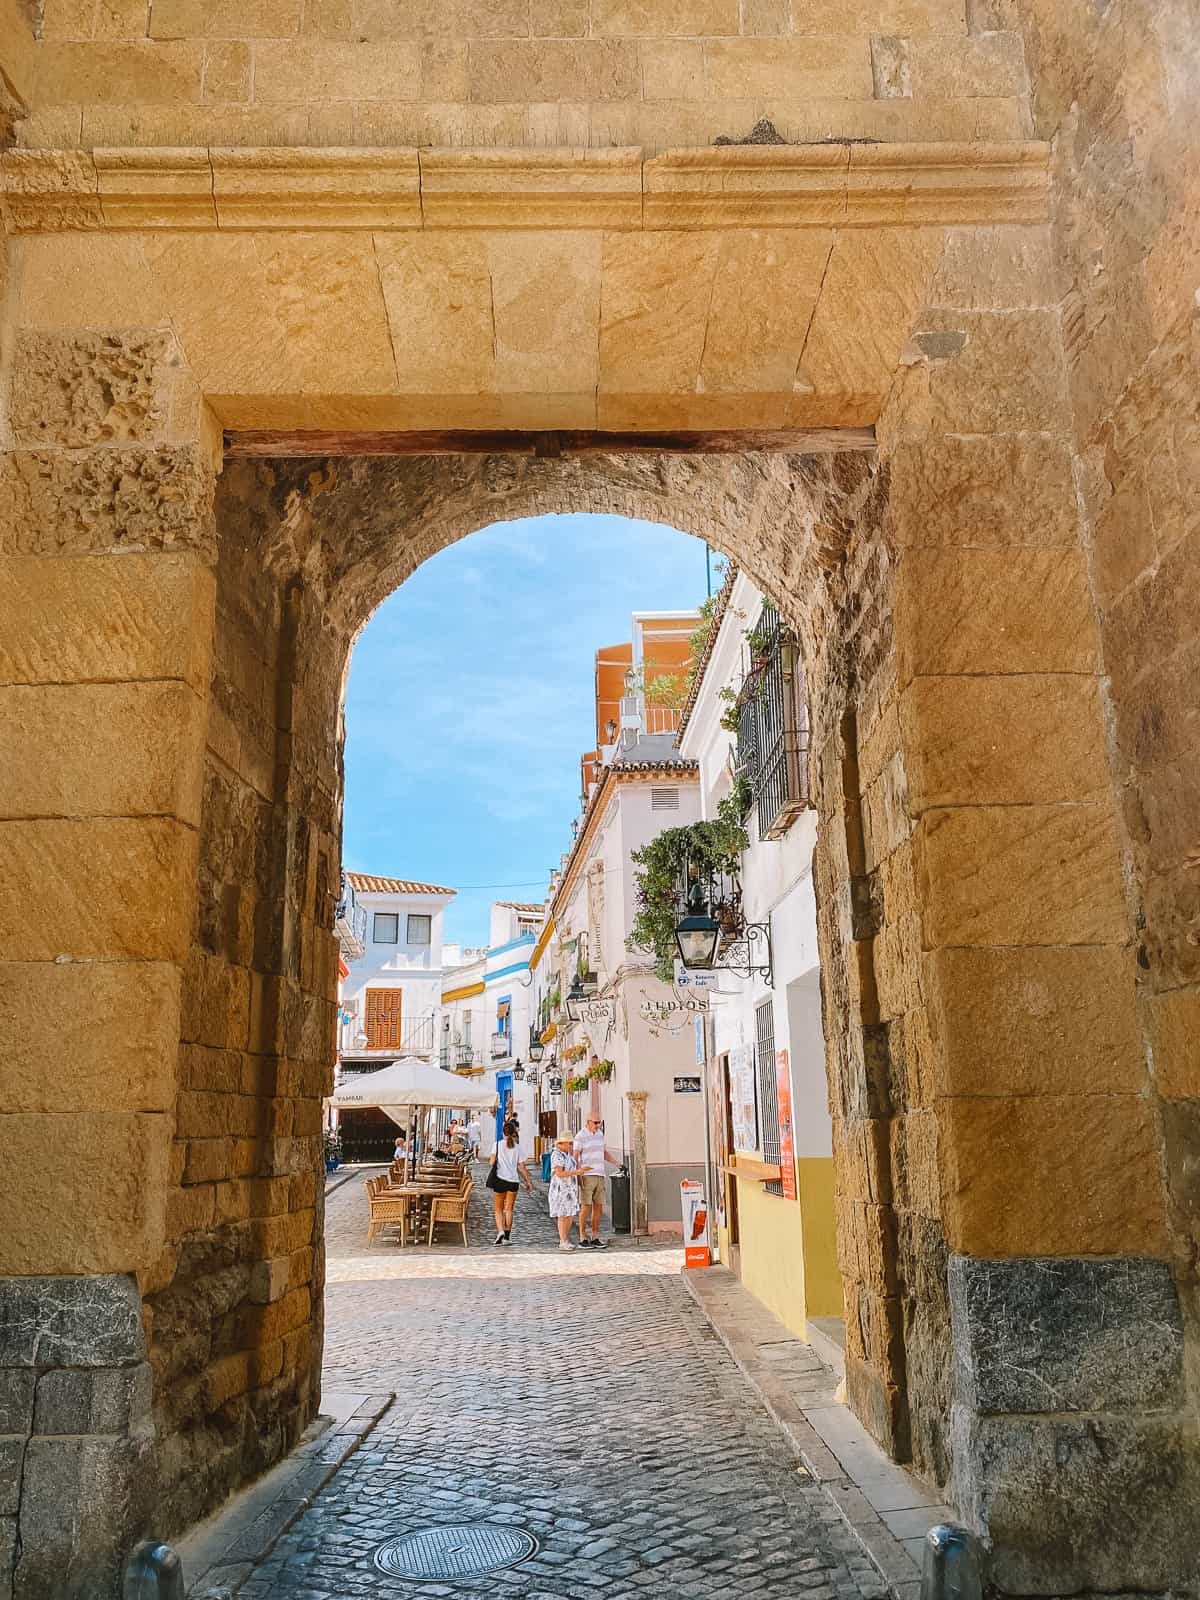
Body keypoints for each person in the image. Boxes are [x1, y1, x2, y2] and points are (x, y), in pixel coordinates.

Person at [573, 1114, 617, 1249]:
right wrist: (577, 1175)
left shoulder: (599, 1134)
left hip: (600, 1174)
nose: (598, 1125)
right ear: (588, 1122)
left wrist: (617, 1163)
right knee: (586, 1206)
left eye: (600, 1123)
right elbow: (575, 1156)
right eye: (596, 1122)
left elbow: (603, 1152)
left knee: (598, 1207)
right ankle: (582, 1237)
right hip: (587, 1175)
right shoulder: (580, 1136)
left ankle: (595, 1236)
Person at [488, 1117, 533, 1246]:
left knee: (498, 1209)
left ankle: (500, 1231)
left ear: (503, 1132)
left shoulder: (497, 1145)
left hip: (500, 1180)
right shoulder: (518, 1148)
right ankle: (507, 1237)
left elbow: (491, 1163)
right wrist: (528, 1182)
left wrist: (496, 1159)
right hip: (513, 1181)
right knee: (509, 1210)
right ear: (514, 1133)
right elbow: (522, 1167)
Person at [547, 1135, 582, 1252]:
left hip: (569, 1190)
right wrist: (576, 1172)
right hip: (560, 1190)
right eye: (569, 1143)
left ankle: (565, 1239)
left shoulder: (567, 1154)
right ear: (562, 1143)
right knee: (562, 1215)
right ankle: (562, 1241)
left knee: (570, 1214)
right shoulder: (557, 1155)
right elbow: (559, 1173)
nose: (571, 1145)